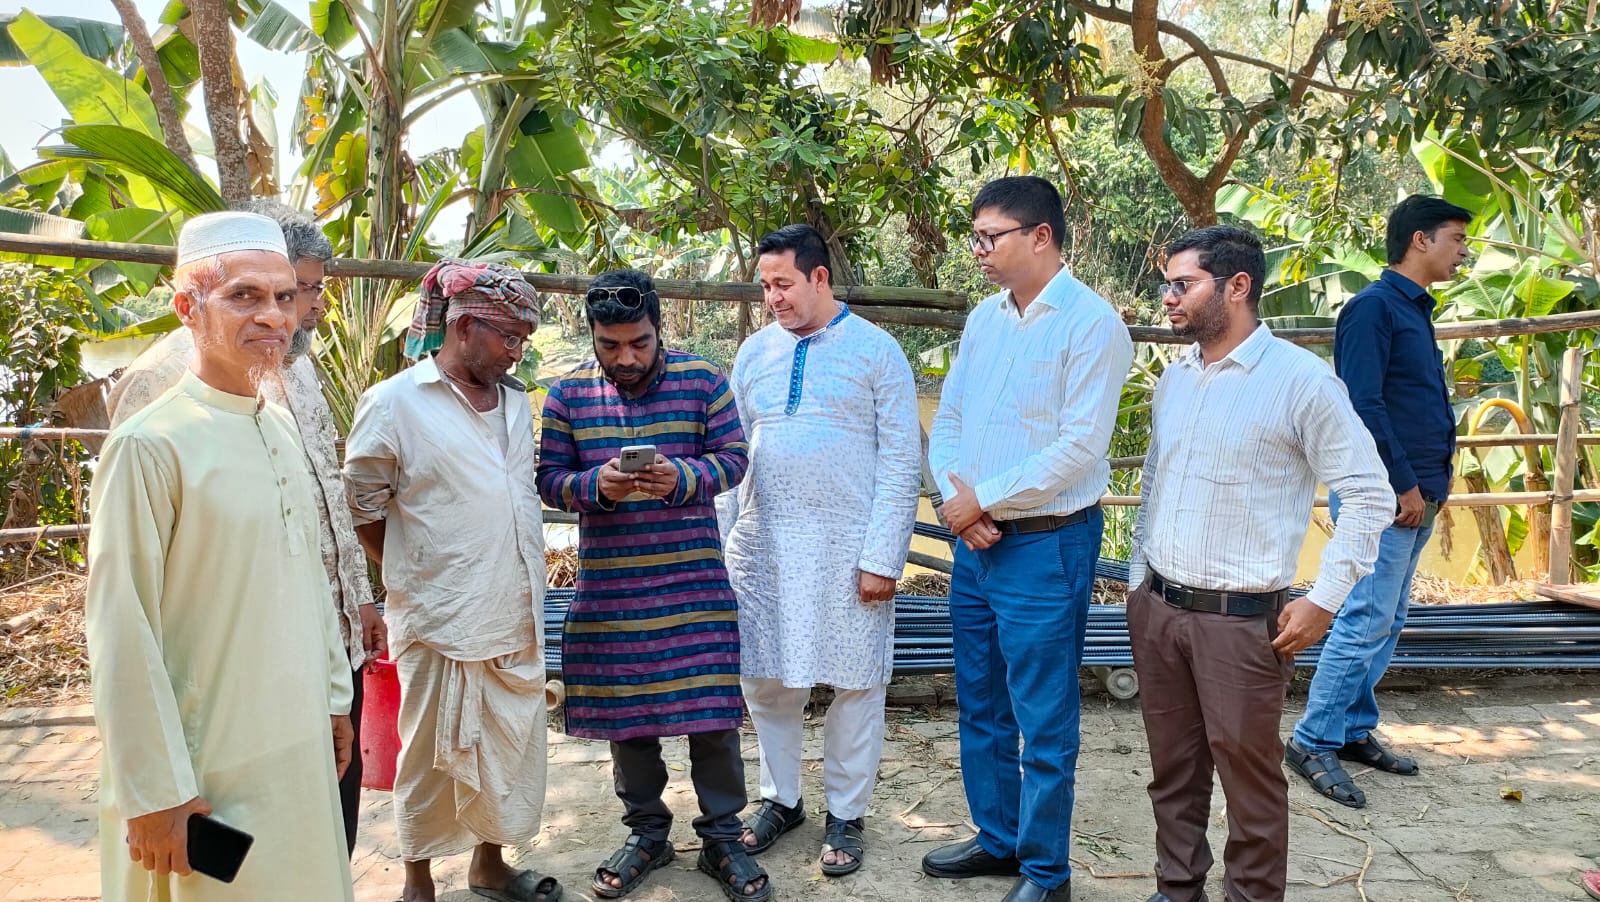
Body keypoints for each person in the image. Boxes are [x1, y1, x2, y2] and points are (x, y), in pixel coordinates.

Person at [85, 211, 356, 900]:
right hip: (202, 770)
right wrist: (155, 793)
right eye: (244, 296)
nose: (273, 316)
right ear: (188, 308)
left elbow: (308, 581)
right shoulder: (150, 444)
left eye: (284, 296)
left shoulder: (280, 427)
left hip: (296, 748)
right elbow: (121, 628)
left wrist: (334, 699)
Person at [1127, 225, 1394, 902]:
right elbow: (1155, 481)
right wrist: (1136, 585)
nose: (1168, 298)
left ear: (1238, 286)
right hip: (1159, 610)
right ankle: (1177, 889)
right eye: (1167, 285)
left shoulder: (1301, 382)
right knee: (1173, 772)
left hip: (1241, 624)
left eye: (1183, 284)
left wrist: (1325, 599)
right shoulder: (1175, 379)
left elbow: (1370, 494)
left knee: (1250, 782)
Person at [922, 176, 1134, 902]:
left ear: (1041, 236)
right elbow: (951, 418)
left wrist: (982, 500)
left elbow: (1079, 448)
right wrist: (961, 504)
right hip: (976, 543)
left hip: (1046, 545)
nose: (978, 250)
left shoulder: (1091, 324)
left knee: (1043, 715)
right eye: (975, 238)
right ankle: (998, 838)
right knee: (981, 701)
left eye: (991, 237)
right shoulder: (984, 319)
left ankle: (1046, 872)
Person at [536, 269, 767, 902]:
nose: (626, 358)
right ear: (592, 335)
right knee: (627, 717)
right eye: (609, 345)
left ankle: (722, 838)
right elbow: (549, 479)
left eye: (639, 342)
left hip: (694, 585)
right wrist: (595, 486)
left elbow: (735, 459)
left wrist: (682, 478)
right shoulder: (567, 396)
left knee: (712, 717)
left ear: (658, 329)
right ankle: (647, 833)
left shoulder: (703, 380)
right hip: (613, 592)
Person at [344, 260, 557, 902]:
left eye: (524, 339)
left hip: (515, 607)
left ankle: (489, 865)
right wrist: (416, 572)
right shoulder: (395, 402)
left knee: (505, 746)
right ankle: (418, 880)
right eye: (509, 337)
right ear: (464, 327)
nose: (517, 351)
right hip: (437, 615)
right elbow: (362, 506)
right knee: (428, 753)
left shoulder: (515, 403)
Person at [720, 224, 921, 876]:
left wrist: (882, 558)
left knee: (857, 682)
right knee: (765, 680)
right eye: (765, 286)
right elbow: (731, 456)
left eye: (783, 284)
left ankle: (846, 814)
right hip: (764, 547)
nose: (773, 297)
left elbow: (901, 461)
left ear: (820, 277)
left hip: (847, 549)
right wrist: (725, 546)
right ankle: (781, 799)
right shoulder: (754, 353)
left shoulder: (876, 351)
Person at [1287, 195, 1471, 808]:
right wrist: (1400, 483)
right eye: (1456, 238)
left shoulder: (1414, 309)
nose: (1463, 251)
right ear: (1420, 240)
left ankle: (1351, 729)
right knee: (1364, 617)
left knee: (1387, 620)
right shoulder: (1372, 308)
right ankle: (1312, 739)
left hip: (1419, 491)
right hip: (1388, 496)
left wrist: (1428, 482)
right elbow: (1362, 402)